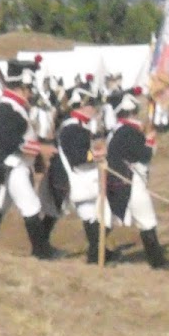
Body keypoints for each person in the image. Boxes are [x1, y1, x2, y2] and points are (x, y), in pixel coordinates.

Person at [0, 58, 59, 258]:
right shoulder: (5, 107)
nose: (31, 93)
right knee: (29, 206)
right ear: (22, 86)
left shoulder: (14, 106)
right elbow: (9, 143)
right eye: (29, 88)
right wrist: (40, 148)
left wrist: (44, 144)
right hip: (9, 167)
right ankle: (41, 251)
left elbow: (23, 137)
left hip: (13, 167)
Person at [105, 90, 169, 270]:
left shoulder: (119, 130)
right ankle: (157, 262)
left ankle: (96, 252)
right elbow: (144, 156)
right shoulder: (128, 132)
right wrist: (150, 140)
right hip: (130, 182)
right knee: (147, 221)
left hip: (121, 181)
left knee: (112, 220)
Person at [51, 88, 115, 264]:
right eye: (91, 104)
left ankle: (98, 254)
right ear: (82, 106)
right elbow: (78, 157)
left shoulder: (77, 126)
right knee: (106, 216)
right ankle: (97, 254)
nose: (94, 108)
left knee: (92, 219)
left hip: (83, 181)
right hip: (83, 181)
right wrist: (97, 155)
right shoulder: (72, 128)